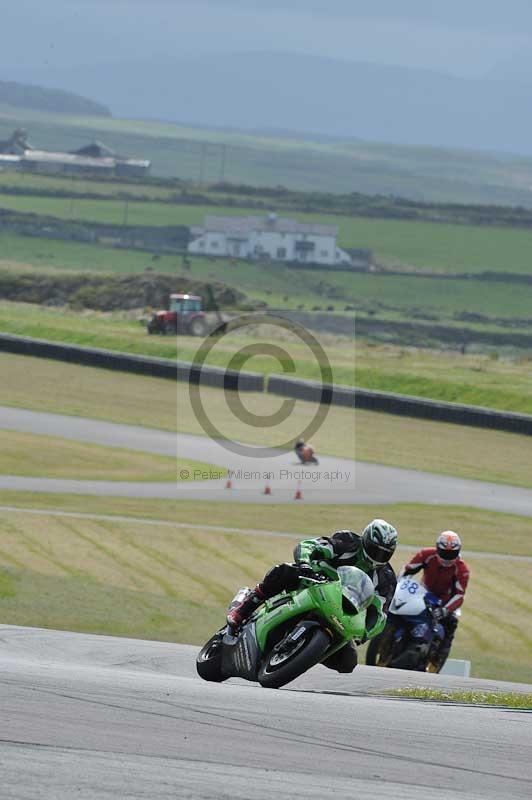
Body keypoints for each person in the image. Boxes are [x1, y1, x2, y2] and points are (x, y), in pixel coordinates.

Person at [227, 519, 398, 673]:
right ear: (365, 540)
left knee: (348, 663)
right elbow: (308, 545)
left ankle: (304, 654)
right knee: (285, 571)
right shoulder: (348, 542)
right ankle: (244, 608)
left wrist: (364, 633)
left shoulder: (387, 579)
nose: (378, 556)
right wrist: (305, 564)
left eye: (384, 553)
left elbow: (380, 615)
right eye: (375, 550)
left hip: (343, 609)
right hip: (313, 582)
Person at [401, 531, 470, 671]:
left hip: (446, 603)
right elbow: (407, 570)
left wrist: (445, 610)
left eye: (451, 554)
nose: (447, 557)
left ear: (458, 551)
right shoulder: (426, 554)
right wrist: (398, 585)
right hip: (423, 594)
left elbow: (459, 595)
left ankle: (436, 662)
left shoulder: (462, 569)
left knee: (451, 623)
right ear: (437, 548)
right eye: (444, 552)